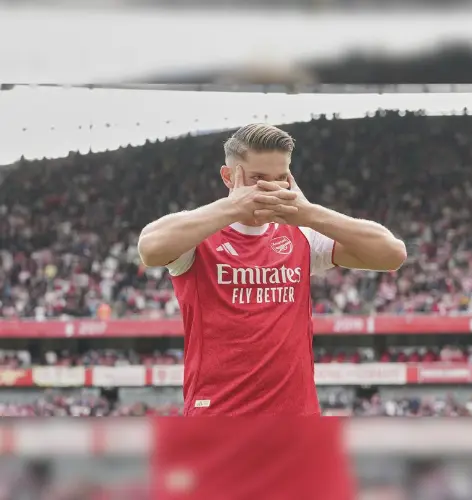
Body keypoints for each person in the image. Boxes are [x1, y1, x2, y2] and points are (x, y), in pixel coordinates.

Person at [138, 123, 406, 417]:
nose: (271, 189)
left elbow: (391, 254)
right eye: (258, 179)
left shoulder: (303, 234)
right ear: (228, 177)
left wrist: (310, 213)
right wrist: (233, 207)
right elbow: (150, 248)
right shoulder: (198, 233)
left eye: (280, 179)